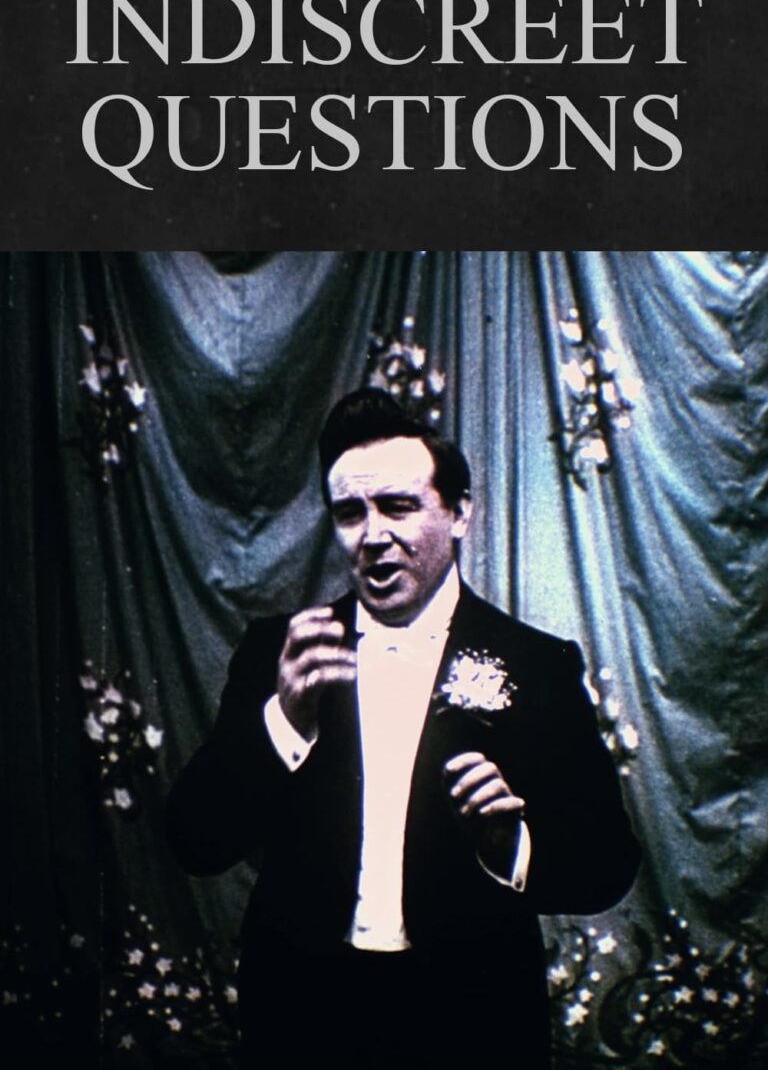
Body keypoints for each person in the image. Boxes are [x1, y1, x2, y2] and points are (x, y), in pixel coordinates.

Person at [167, 388, 640, 1069]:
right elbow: (194, 841)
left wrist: (511, 845)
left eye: (398, 506)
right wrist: (284, 724)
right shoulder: (284, 654)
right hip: (304, 1020)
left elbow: (607, 865)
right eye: (350, 513)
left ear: (460, 512)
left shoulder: (536, 664)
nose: (373, 536)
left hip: (470, 1023)